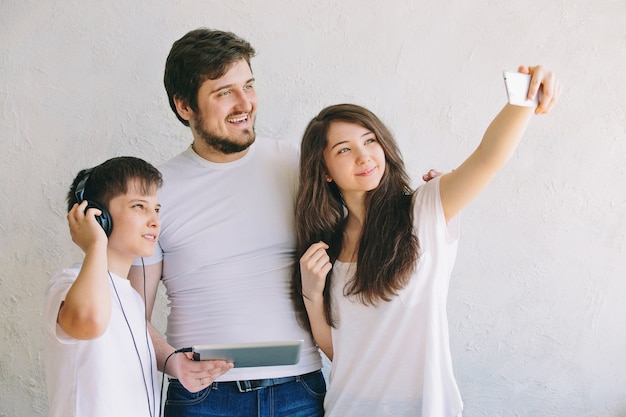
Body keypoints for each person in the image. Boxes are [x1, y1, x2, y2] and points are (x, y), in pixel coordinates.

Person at [293, 67, 561, 417]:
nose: (364, 156)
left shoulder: (423, 209)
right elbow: (343, 353)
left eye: (370, 141)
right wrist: (312, 295)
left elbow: (487, 158)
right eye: (344, 150)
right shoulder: (328, 246)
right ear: (325, 170)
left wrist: (524, 98)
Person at [127, 28, 326, 417]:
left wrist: (429, 196)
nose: (244, 103)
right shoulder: (156, 194)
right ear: (184, 107)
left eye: (248, 86)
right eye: (224, 93)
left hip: (298, 390)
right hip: (203, 399)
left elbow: (371, 213)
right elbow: (131, 313)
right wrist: (170, 361)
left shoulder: (299, 165)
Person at [44, 156, 163, 417]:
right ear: (98, 217)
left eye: (156, 209)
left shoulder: (132, 297)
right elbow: (90, 321)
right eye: (139, 206)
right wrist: (95, 245)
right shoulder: (68, 282)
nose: (154, 220)